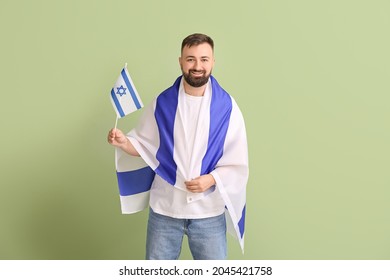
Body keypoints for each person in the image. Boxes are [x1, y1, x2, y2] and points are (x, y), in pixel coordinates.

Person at [107, 33, 248, 260]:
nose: (197, 66)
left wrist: (210, 179)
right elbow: (144, 146)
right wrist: (124, 142)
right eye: (190, 59)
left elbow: (237, 162)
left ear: (212, 62)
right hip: (165, 210)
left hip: (208, 213)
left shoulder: (228, 108)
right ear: (181, 61)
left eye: (204, 59)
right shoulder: (162, 103)